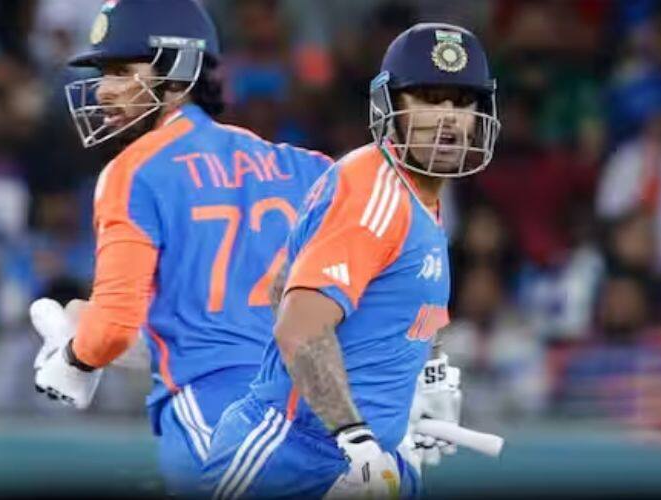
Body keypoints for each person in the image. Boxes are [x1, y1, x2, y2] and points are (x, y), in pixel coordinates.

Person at [29, 0, 331, 494]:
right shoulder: (306, 166)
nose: (103, 90)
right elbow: (397, 254)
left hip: (217, 412)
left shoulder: (134, 171)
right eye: (104, 74)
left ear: (179, 70)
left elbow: (114, 329)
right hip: (325, 416)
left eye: (121, 71)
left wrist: (74, 358)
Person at [202, 23, 500, 498]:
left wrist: (430, 377)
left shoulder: (418, 194)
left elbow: (300, 288)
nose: (448, 117)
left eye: (462, 102)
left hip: (365, 455)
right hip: (293, 454)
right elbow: (299, 327)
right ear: (390, 106)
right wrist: (356, 438)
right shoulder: (373, 190)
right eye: (429, 99)